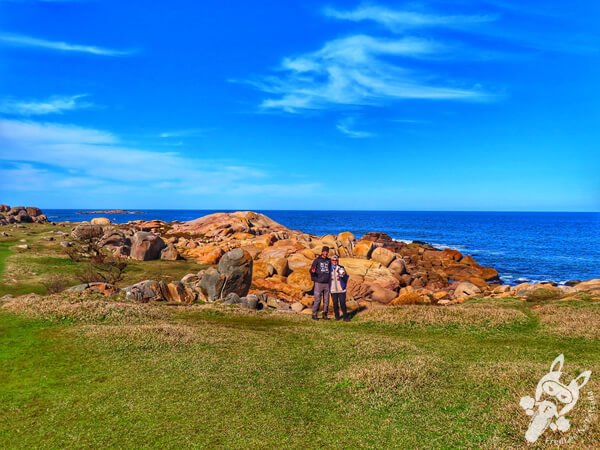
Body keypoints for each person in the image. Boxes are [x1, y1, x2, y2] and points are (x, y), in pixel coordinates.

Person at [310, 246, 331, 320]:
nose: (326, 253)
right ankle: (314, 314)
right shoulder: (317, 260)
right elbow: (312, 270)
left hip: (327, 284)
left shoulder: (329, 261)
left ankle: (325, 314)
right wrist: (315, 279)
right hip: (318, 283)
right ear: (322, 252)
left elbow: (331, 270)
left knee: (326, 300)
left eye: (327, 252)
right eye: (324, 251)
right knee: (317, 299)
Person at [330, 255, 350, 321]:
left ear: (338, 261)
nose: (334, 261)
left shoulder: (341, 267)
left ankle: (345, 317)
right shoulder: (329, 269)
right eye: (333, 260)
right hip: (333, 289)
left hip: (341, 289)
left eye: (336, 260)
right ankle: (337, 316)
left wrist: (342, 276)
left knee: (342, 303)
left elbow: (346, 277)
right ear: (331, 261)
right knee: (335, 304)